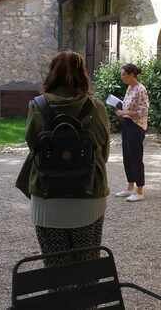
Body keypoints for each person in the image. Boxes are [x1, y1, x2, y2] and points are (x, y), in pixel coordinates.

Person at [24, 51, 110, 266]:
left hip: (47, 195)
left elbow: (32, 145)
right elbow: (104, 152)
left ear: (52, 73)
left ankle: (59, 299)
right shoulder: (96, 107)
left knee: (55, 268)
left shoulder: (37, 106)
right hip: (88, 193)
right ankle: (88, 300)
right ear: (83, 74)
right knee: (88, 266)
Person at [114, 63, 149, 202]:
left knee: (136, 157)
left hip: (136, 126)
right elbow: (127, 105)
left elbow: (143, 111)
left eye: (123, 74)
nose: (121, 77)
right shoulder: (129, 87)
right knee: (127, 156)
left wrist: (124, 112)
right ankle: (130, 188)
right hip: (127, 124)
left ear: (131, 75)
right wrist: (119, 109)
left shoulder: (141, 89)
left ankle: (140, 191)